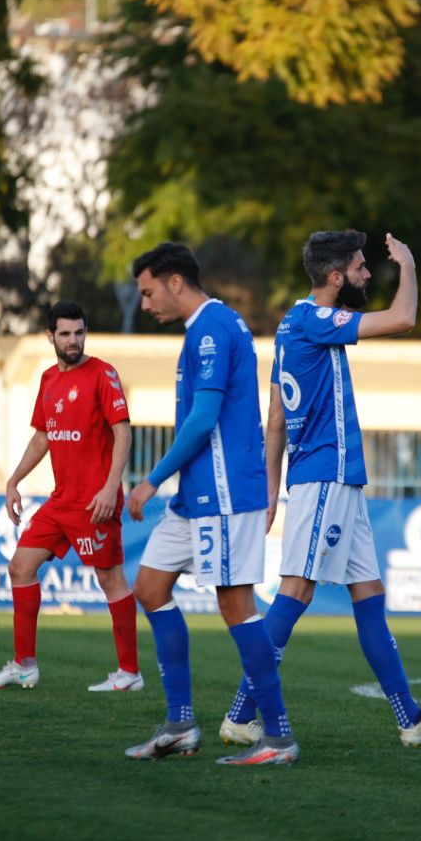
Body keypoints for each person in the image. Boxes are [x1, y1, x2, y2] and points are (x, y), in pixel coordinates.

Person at [219, 231, 421, 747]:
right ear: (335, 278)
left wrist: (271, 490)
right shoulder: (316, 320)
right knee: (295, 591)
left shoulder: (291, 324)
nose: (365, 274)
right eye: (359, 268)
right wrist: (409, 264)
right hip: (324, 476)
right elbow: (403, 319)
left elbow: (274, 417)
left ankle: (410, 719)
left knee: (369, 597)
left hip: (338, 481)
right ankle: (241, 714)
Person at [122, 242, 298, 766]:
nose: (146, 303)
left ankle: (279, 736)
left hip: (223, 494)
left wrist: (150, 480)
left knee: (235, 605)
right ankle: (180, 725)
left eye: (149, 292)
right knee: (150, 587)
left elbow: (202, 420)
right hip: (196, 495)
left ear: (176, 282)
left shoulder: (212, 328)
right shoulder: (206, 327)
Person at [0, 300, 143, 694]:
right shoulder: (48, 379)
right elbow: (43, 436)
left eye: (79, 332)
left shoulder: (104, 374)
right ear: (50, 336)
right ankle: (24, 665)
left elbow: (123, 432)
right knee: (20, 567)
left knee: (110, 579)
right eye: (65, 333)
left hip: (95, 501)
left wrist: (109, 487)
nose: (73, 340)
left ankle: (130, 672)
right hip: (60, 501)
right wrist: (14, 479)